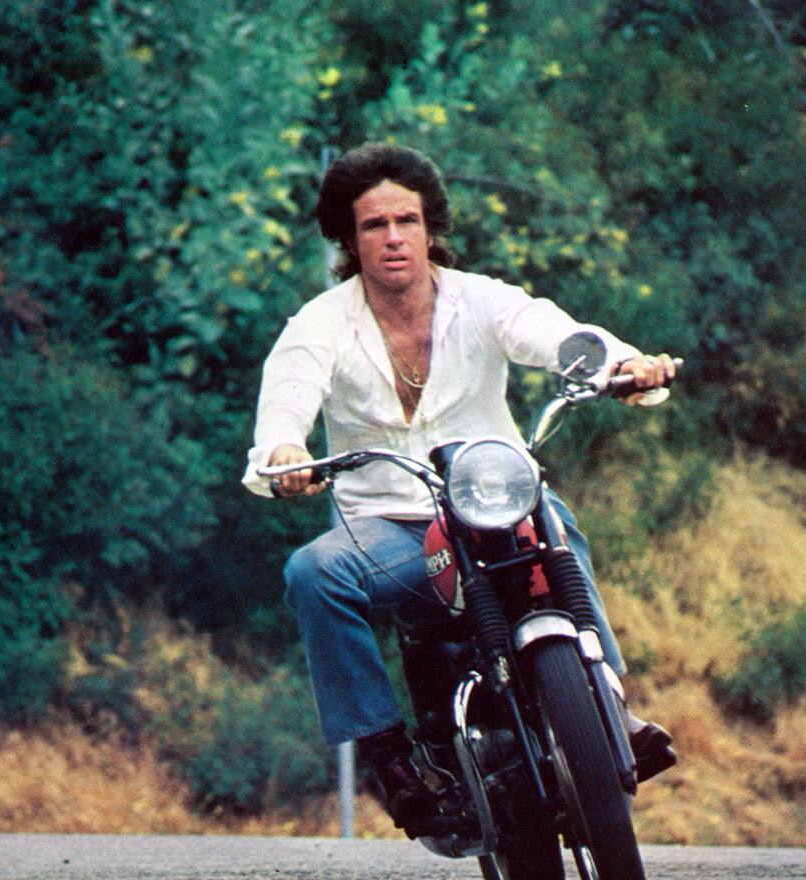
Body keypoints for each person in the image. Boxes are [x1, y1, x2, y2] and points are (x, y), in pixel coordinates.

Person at [242, 143, 676, 836]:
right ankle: (389, 757)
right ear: (348, 239)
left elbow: (557, 336)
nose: (393, 239)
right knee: (313, 572)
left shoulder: (483, 301)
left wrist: (624, 366)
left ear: (430, 227)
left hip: (493, 508)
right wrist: (285, 450)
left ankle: (611, 705)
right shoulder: (320, 325)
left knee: (552, 520)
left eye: (407, 221)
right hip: (392, 531)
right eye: (374, 225)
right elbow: (286, 399)